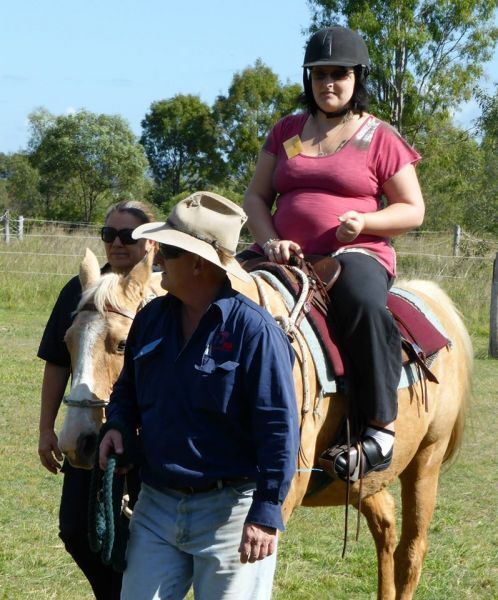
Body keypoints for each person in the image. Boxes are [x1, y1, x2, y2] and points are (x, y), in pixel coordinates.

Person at [243, 26, 425, 481]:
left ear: (357, 77)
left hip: (355, 253)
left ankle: (380, 430)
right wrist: (269, 241)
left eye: (338, 74)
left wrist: (366, 223)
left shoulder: (379, 136)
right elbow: (255, 199)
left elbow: (412, 209)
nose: (328, 83)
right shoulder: (286, 131)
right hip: (282, 254)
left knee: (363, 303)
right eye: (319, 74)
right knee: (215, 291)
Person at [98, 191, 299, 600]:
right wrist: (117, 423)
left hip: (231, 514)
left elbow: (279, 426)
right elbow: (128, 390)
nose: (156, 261)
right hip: (154, 505)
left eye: (168, 251)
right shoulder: (151, 318)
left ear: (198, 263)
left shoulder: (254, 332)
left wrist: (265, 510)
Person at [37, 200, 157, 599]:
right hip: (86, 426)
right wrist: (45, 429)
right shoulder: (81, 289)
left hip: (143, 436)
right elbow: (57, 361)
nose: (117, 243)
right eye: (109, 235)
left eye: (129, 235)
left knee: (135, 534)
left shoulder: (162, 294)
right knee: (75, 529)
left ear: (150, 241)